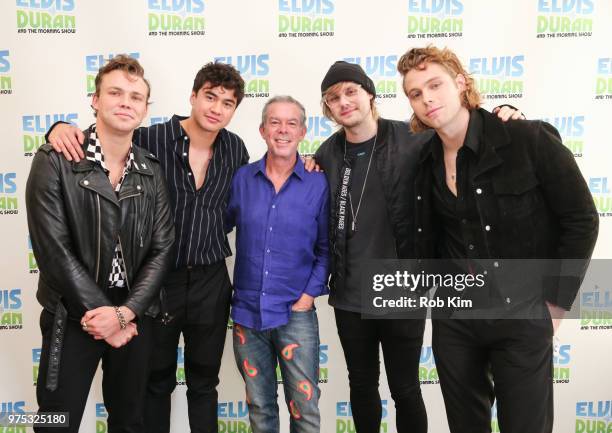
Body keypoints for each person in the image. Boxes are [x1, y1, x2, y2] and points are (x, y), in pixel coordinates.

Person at [311, 60, 522, 433]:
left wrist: (504, 115)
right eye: (333, 98)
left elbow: (462, 131)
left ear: (370, 95)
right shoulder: (327, 154)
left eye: (350, 92)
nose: (343, 102)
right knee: (360, 386)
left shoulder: (413, 138)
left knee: (405, 388)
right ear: (327, 109)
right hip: (348, 294)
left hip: (402, 291)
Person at [398, 45, 598, 433]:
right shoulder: (423, 159)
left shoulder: (527, 138)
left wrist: (556, 304)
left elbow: (582, 220)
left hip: (522, 314)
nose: (427, 99)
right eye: (415, 93)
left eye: (435, 85)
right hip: (455, 320)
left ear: (460, 83)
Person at [45, 62, 249, 433]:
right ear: (192, 96)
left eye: (228, 102)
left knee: (203, 382)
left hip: (208, 282)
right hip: (156, 285)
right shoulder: (150, 140)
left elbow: (244, 202)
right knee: (152, 383)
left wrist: (307, 161)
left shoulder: (236, 149)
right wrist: (57, 129)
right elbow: (103, 140)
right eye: (210, 97)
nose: (217, 108)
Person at [26, 55, 175, 433]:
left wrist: (125, 314)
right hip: (73, 312)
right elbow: (53, 250)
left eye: (136, 97)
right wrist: (104, 316)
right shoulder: (54, 160)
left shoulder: (151, 170)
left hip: (132, 312)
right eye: (115, 92)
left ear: (144, 110)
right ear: (95, 100)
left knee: (130, 421)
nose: (126, 102)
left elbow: (162, 249)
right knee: (54, 423)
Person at [225, 96, 329, 433]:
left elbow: (327, 249)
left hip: (294, 314)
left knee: (305, 409)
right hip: (247, 315)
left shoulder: (319, 182)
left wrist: (308, 296)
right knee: (260, 408)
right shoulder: (241, 179)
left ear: (303, 131)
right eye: (274, 122)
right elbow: (215, 227)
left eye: (291, 123)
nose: (282, 130)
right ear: (262, 129)